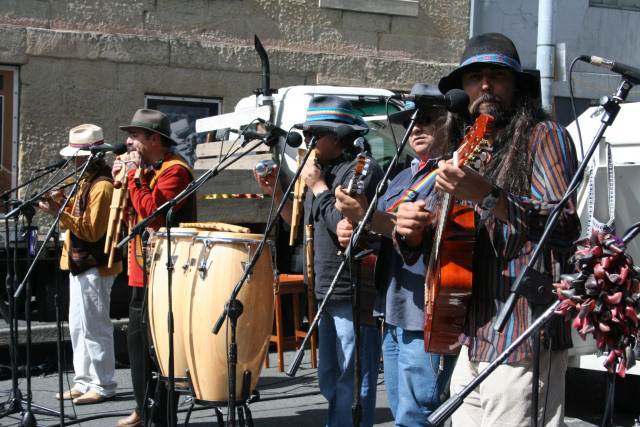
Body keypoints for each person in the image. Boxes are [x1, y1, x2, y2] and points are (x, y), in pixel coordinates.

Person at [396, 33, 582, 426]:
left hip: (523, 335)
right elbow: (444, 238)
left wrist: (489, 196)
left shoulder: (543, 137)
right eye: (473, 77)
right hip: (472, 334)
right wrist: (412, 232)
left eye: (497, 76)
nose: (484, 86)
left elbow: (564, 225)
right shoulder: (467, 150)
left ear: (516, 86)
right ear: (462, 91)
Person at [334, 84, 466, 426]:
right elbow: (379, 236)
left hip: (427, 315)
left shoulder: (456, 175)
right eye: (410, 121)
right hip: (392, 310)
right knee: (401, 412)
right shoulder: (402, 177)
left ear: (451, 123)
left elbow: (423, 237)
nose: (416, 127)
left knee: (417, 415)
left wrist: (368, 218)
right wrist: (354, 232)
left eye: (426, 119)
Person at [253, 96, 384, 427]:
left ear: (338, 136)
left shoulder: (361, 167)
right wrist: (276, 194)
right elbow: (298, 223)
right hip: (324, 288)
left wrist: (319, 186)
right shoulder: (321, 172)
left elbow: (344, 222)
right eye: (306, 133)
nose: (307, 141)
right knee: (329, 378)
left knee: (353, 381)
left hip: (351, 289)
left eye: (315, 134)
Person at [113, 109, 197, 427]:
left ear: (154, 139)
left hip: (166, 273)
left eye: (135, 135)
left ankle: (161, 416)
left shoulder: (175, 171)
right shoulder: (146, 170)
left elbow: (154, 215)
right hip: (140, 269)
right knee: (137, 346)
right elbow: (132, 220)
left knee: (160, 350)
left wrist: (134, 177)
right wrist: (123, 185)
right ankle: (142, 407)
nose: (129, 141)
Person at [39, 124, 122, 405]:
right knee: (78, 325)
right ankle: (84, 380)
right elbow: (82, 213)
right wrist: (64, 201)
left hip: (95, 265)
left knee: (95, 326)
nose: (71, 161)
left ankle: (103, 384)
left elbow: (91, 231)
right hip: (81, 264)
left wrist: (57, 211)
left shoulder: (102, 186)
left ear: (87, 156)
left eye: (75, 156)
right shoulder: (88, 181)